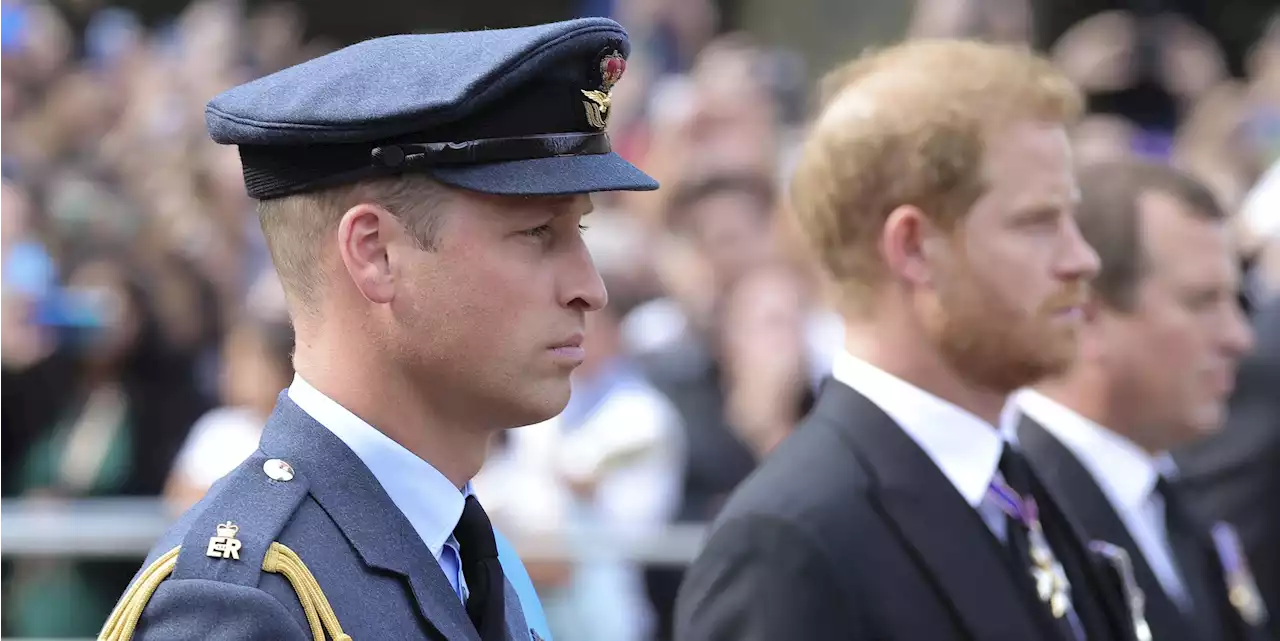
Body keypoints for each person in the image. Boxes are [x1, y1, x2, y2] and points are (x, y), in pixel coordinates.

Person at [98, 17, 657, 641]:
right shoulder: (244, 606)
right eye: (536, 233)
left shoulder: (466, 550)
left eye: (575, 233)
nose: (591, 288)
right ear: (376, 255)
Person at [674, 39, 1141, 641]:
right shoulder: (791, 543)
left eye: (1069, 220)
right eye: (1037, 222)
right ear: (914, 248)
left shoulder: (1024, 492)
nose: (1081, 258)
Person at [1013, 159, 1268, 641]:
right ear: (1087, 317)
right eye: (1201, 302)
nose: (1238, 338)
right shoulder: (1026, 508)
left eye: (1235, 302)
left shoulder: (1170, 494)